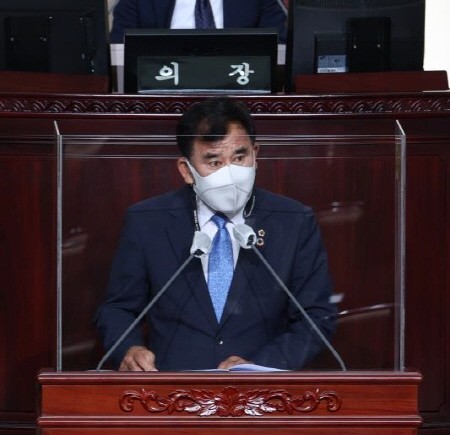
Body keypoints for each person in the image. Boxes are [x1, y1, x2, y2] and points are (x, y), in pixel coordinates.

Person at [95, 97, 336, 372]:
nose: (230, 174)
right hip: (171, 387)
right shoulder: (147, 222)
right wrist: (129, 349)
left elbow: (317, 316)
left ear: (255, 154)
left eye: (239, 158)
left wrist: (259, 366)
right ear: (186, 170)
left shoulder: (293, 221)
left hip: (262, 389)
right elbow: (118, 309)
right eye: (214, 162)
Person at [110, 0, 287, 43]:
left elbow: (279, 44)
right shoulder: (136, 2)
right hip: (163, 91)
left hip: (236, 94)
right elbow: (120, 47)